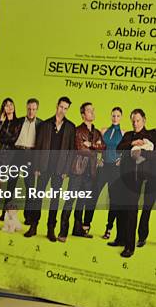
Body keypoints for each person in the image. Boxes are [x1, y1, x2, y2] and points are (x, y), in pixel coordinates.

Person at [24, 96, 75, 241]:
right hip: (43, 167)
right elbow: (38, 148)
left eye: (65, 108)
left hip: (59, 170)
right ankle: (33, 226)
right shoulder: (45, 124)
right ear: (57, 106)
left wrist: (67, 170)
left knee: (55, 199)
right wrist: (36, 167)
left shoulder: (70, 127)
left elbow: (71, 151)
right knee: (37, 197)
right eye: (61, 107)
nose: (62, 110)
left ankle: (50, 229)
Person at [58, 102, 105, 242]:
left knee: (82, 202)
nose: (92, 112)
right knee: (69, 202)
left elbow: (103, 147)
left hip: (90, 173)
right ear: (83, 115)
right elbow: (79, 149)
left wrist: (91, 146)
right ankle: (63, 232)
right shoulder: (77, 130)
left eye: (93, 110)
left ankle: (77, 230)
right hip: (77, 171)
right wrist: (94, 148)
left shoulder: (96, 132)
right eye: (89, 111)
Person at [114, 109, 153, 257]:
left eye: (138, 120)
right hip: (124, 176)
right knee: (121, 208)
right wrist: (132, 143)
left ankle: (130, 247)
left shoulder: (150, 136)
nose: (135, 123)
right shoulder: (128, 135)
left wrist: (141, 151)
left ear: (144, 120)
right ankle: (121, 238)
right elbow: (119, 149)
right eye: (133, 121)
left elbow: (151, 154)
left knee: (131, 210)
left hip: (138, 177)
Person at [4, 98, 41, 224]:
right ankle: (5, 213)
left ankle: (28, 217)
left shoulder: (41, 124)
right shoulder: (18, 121)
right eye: (29, 109)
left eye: (34, 109)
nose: (31, 111)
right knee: (11, 184)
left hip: (30, 155)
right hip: (17, 153)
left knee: (30, 187)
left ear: (37, 109)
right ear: (26, 108)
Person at [0, 98, 20, 229]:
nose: (9, 107)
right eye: (6, 105)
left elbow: (13, 139)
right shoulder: (2, 121)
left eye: (11, 105)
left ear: (14, 107)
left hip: (7, 157)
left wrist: (3, 135)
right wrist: (1, 122)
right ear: (3, 108)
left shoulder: (18, 122)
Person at [96, 107, 124, 240]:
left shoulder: (124, 133)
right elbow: (99, 147)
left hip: (115, 169)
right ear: (110, 116)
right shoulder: (103, 130)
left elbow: (127, 151)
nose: (115, 118)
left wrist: (121, 160)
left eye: (118, 116)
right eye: (113, 115)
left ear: (121, 117)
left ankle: (108, 228)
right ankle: (86, 224)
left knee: (114, 200)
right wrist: (99, 159)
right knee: (94, 193)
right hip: (103, 167)